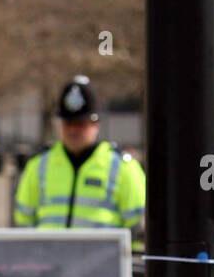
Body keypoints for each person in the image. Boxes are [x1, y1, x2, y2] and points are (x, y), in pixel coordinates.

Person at [13, 76, 145, 246]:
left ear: (96, 124)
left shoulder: (123, 167)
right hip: (49, 269)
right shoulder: (38, 165)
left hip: (102, 271)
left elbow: (139, 230)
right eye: (68, 123)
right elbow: (23, 222)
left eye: (81, 123)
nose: (73, 130)